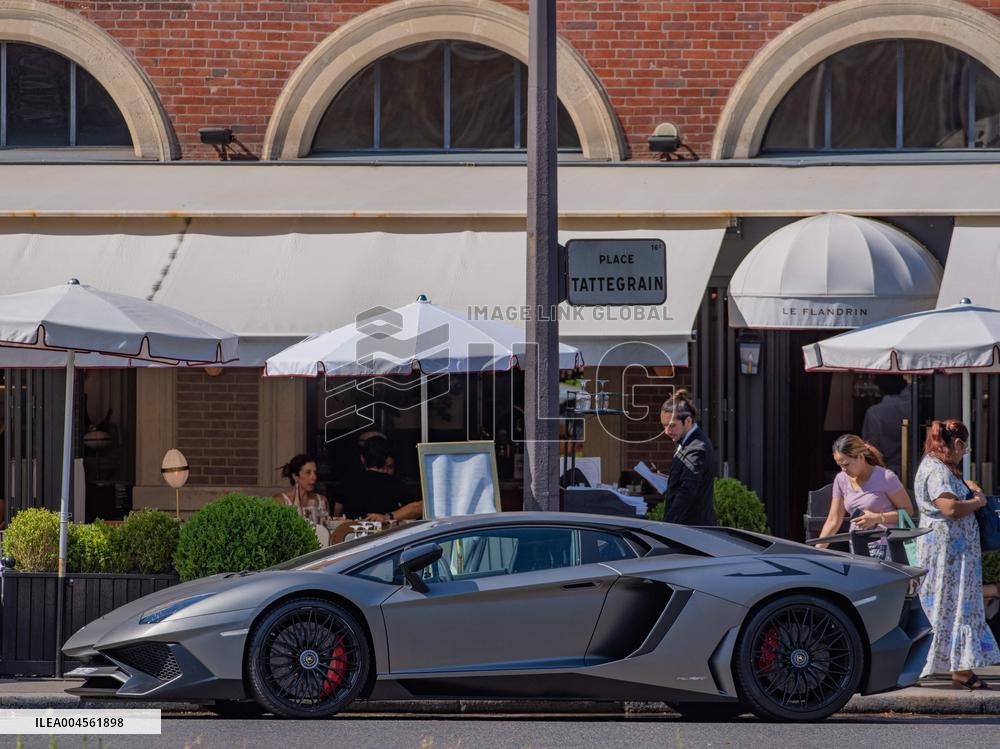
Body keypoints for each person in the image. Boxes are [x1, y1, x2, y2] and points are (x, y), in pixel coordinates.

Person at [913, 419, 1000, 690]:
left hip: (951, 553)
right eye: (964, 448)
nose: (964, 453)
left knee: (948, 607)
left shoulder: (937, 465)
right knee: (957, 605)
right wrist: (977, 501)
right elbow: (949, 508)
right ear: (958, 443)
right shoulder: (937, 470)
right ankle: (960, 671)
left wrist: (969, 489)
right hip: (949, 556)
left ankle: (954, 667)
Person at [815, 434, 913, 558]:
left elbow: (908, 511)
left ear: (860, 457)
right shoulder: (841, 479)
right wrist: (817, 550)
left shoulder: (886, 477)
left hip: (884, 546)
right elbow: (833, 520)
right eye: (839, 465)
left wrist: (878, 518)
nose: (843, 469)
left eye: (846, 464)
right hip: (857, 546)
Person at [659, 390, 716, 526]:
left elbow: (687, 491)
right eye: (664, 426)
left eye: (671, 425)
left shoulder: (697, 448)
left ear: (688, 421)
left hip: (691, 529)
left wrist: (666, 526)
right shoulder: (686, 441)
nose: (667, 431)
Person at [335, 436, 422, 521]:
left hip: (351, 533)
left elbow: (336, 515)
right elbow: (416, 509)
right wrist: (388, 517)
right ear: (386, 459)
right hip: (386, 534)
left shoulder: (347, 482)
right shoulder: (395, 483)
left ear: (362, 458)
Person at [862, 375, 911, 476]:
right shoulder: (914, 407)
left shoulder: (874, 412)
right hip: (913, 467)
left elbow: (871, 445)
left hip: (885, 469)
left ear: (880, 388)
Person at [273, 454, 330, 523]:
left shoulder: (322, 501)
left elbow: (327, 529)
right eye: (308, 472)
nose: (314, 477)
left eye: (315, 472)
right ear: (295, 476)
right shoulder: (280, 501)